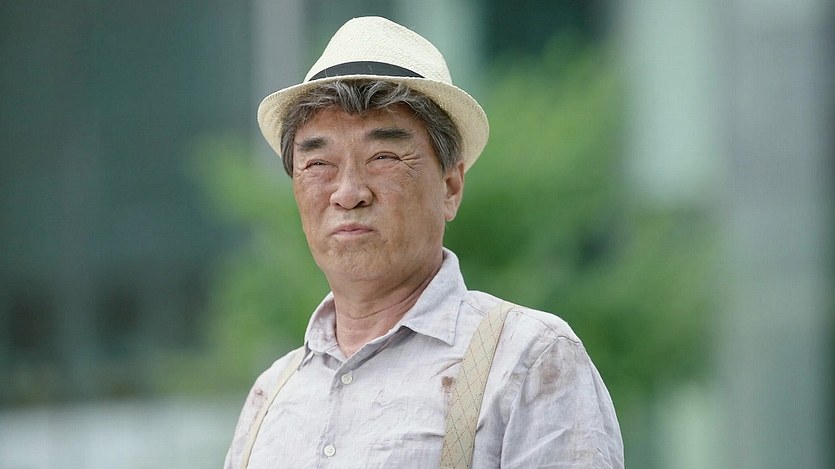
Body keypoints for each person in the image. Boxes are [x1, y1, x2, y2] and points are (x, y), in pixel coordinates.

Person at [225, 16, 623, 469]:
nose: (348, 192)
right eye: (318, 164)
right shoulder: (271, 395)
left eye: (384, 156)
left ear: (450, 187)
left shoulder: (528, 359)